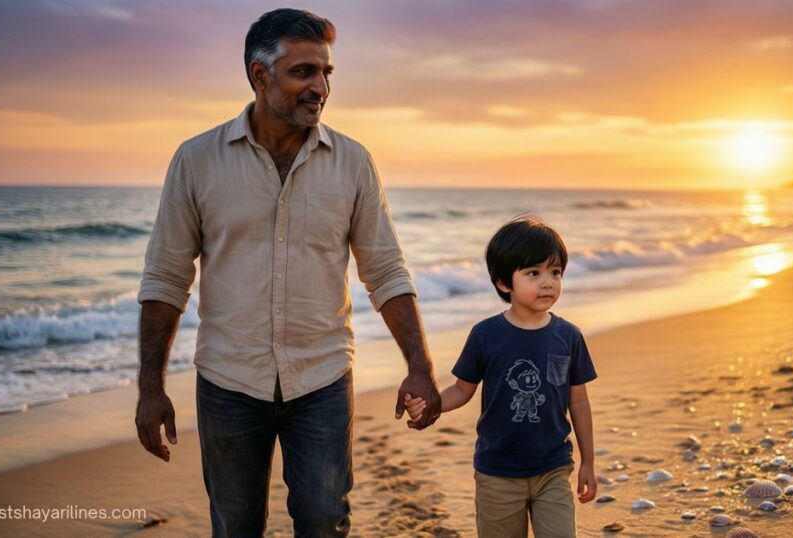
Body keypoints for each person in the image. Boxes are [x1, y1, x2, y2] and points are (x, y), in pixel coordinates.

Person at [133, 8, 441, 537]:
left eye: (326, 73)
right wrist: (149, 388)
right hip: (227, 382)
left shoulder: (353, 162)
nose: (320, 86)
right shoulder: (196, 160)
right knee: (235, 526)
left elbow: (385, 270)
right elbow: (166, 278)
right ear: (260, 75)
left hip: (321, 378)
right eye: (304, 72)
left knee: (325, 522)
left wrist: (420, 365)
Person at [405, 217, 598, 537]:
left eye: (555, 272)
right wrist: (432, 404)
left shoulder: (569, 336)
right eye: (533, 273)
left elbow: (578, 401)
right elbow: (462, 389)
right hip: (497, 473)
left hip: (553, 468)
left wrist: (588, 462)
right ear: (503, 283)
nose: (548, 282)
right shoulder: (486, 335)